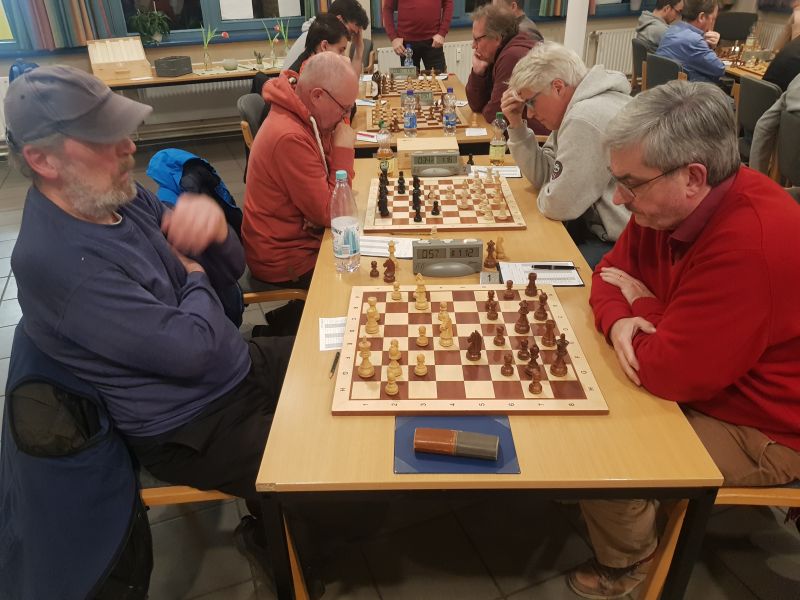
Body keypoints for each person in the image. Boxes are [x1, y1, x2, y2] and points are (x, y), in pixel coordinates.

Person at [4, 64, 296, 586]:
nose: (129, 146)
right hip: (191, 424)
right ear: (42, 160)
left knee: (338, 360)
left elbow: (229, 272)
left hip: (230, 367)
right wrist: (194, 275)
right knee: (323, 462)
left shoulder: (114, 195)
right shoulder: (58, 261)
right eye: (104, 137)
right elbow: (194, 349)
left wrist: (212, 234)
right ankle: (284, 543)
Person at [570, 80, 800, 600]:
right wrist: (624, 319)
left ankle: (630, 562)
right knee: (587, 376)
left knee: (604, 450)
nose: (619, 198)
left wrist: (646, 307)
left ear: (694, 177)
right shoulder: (663, 205)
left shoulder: (751, 245)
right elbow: (607, 275)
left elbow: (666, 371)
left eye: (630, 183)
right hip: (711, 376)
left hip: (764, 422)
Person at [500, 42, 632, 267]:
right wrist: (516, 125)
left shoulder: (585, 117)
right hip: (596, 230)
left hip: (620, 244)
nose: (529, 113)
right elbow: (546, 176)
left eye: (531, 102)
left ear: (558, 87)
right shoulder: (576, 108)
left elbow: (558, 205)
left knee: (528, 266)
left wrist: (553, 188)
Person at [242, 52, 357, 287]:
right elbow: (332, 213)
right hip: (287, 259)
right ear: (317, 96)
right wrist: (343, 150)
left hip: (303, 240)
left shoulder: (308, 115)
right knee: (363, 273)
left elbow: (325, 203)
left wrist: (319, 213)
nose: (345, 118)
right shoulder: (289, 136)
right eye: (344, 109)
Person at [466, 4, 548, 135]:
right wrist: (478, 72)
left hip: (536, 140)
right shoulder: (499, 53)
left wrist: (487, 106)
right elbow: (476, 105)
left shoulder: (512, 56)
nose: (473, 45)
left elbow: (496, 116)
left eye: (477, 39)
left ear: (497, 38)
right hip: (518, 134)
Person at [283, 0, 370, 77]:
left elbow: (348, 83)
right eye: (351, 32)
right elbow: (350, 83)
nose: (350, 38)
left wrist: (359, 49)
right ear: (339, 20)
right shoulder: (316, 39)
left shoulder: (326, 40)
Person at [655, 0, 724, 83]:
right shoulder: (695, 41)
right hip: (684, 89)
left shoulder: (671, 30)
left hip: (661, 86)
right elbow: (719, 70)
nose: (712, 23)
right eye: (712, 19)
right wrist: (712, 47)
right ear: (701, 17)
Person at [382, 0, 453, 72]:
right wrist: (393, 38)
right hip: (407, 45)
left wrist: (442, 33)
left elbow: (448, 3)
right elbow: (387, 8)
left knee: (439, 78)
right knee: (410, 79)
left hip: (434, 42)